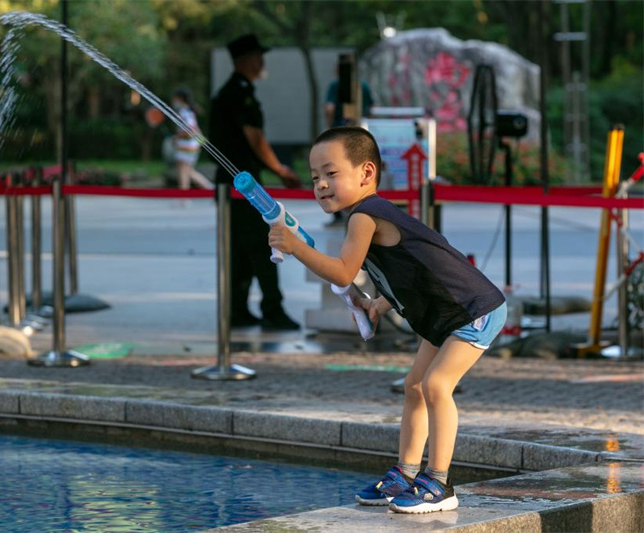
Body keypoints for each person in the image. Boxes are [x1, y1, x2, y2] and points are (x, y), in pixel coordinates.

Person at [267, 127, 506, 513]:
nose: (321, 185)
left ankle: (440, 484)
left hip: (473, 310)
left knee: (436, 385)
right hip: (444, 312)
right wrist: (380, 304)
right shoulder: (369, 214)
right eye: (315, 177)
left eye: (331, 173)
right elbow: (412, 271)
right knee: (414, 386)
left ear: (365, 172)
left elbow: (345, 273)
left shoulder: (365, 215)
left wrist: (295, 247)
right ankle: (406, 474)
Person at [209, 33, 303, 331]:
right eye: (259, 57)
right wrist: (282, 171)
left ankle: (236, 309)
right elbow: (255, 140)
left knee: (238, 250)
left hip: (228, 183)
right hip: (245, 186)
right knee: (265, 246)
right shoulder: (241, 95)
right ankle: (272, 309)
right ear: (248, 60)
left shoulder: (227, 93)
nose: (262, 62)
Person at [323, 67, 375, 227]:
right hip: (360, 135)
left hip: (340, 136)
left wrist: (330, 127)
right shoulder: (363, 86)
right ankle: (361, 209)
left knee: (335, 172)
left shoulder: (335, 86)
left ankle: (339, 212)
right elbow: (371, 109)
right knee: (358, 170)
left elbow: (329, 108)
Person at [171, 88, 213, 192]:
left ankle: (184, 197)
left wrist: (176, 137)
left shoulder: (184, 112)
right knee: (188, 171)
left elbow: (190, 129)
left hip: (186, 146)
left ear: (180, 99)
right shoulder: (189, 111)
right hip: (191, 146)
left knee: (183, 171)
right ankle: (211, 189)